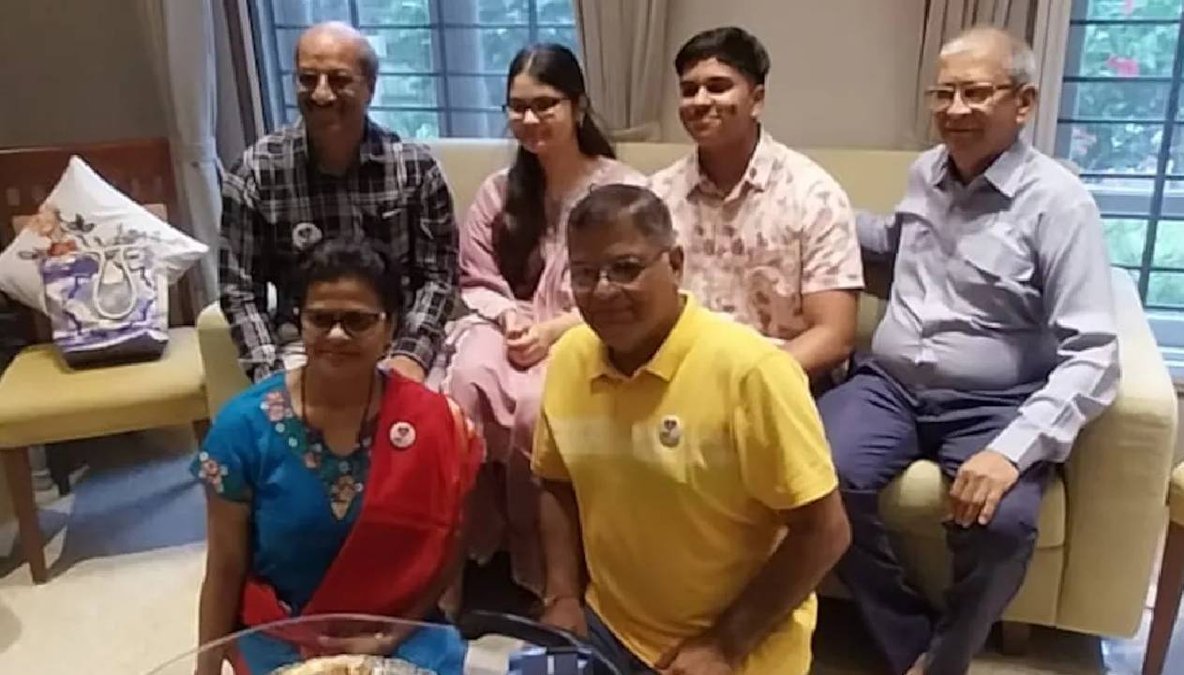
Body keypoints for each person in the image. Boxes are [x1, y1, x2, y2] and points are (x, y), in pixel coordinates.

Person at [819, 27, 1120, 675]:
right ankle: (909, 642)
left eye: (976, 93)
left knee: (1003, 524)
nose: (955, 109)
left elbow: (1095, 353)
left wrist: (1010, 451)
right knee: (813, 476)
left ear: (1024, 102)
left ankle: (946, 658)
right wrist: (813, 210)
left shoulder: (1059, 202)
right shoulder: (926, 172)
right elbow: (897, 244)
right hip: (889, 385)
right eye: (944, 93)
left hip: (995, 402)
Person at [534, 184, 850, 674]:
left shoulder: (752, 372)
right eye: (584, 274)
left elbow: (826, 531)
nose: (603, 290)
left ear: (676, 264)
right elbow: (555, 481)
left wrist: (725, 645)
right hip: (608, 626)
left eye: (625, 268)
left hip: (737, 647)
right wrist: (562, 595)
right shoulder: (571, 357)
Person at [193, 235, 482, 675]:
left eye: (357, 321)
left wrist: (392, 635)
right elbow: (225, 567)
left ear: (390, 327)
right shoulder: (244, 428)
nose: (336, 335)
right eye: (320, 319)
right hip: (284, 636)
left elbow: (449, 549)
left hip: (402, 631)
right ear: (299, 322)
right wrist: (206, 668)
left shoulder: (436, 424)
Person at [441, 43, 644, 599]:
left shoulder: (621, 191)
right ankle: (458, 558)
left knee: (540, 407)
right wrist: (510, 318)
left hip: (588, 328)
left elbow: (629, 287)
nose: (530, 120)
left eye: (545, 104)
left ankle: (545, 572)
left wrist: (554, 330)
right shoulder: (499, 191)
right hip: (504, 322)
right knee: (467, 381)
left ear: (577, 106)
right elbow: (476, 274)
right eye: (518, 107)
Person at [220, 21, 457, 385]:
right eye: (308, 79)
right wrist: (270, 375)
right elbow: (239, 291)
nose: (321, 94)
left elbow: (439, 278)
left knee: (433, 413)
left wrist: (412, 354)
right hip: (303, 346)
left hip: (394, 340)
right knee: (287, 419)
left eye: (339, 80)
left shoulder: (415, 169)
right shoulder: (255, 172)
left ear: (370, 88)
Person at [649, 27, 862, 385]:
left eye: (717, 87)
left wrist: (742, 383)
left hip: (784, 381)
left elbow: (834, 335)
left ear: (757, 100)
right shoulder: (656, 196)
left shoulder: (813, 195)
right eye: (689, 90)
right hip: (676, 381)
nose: (700, 101)